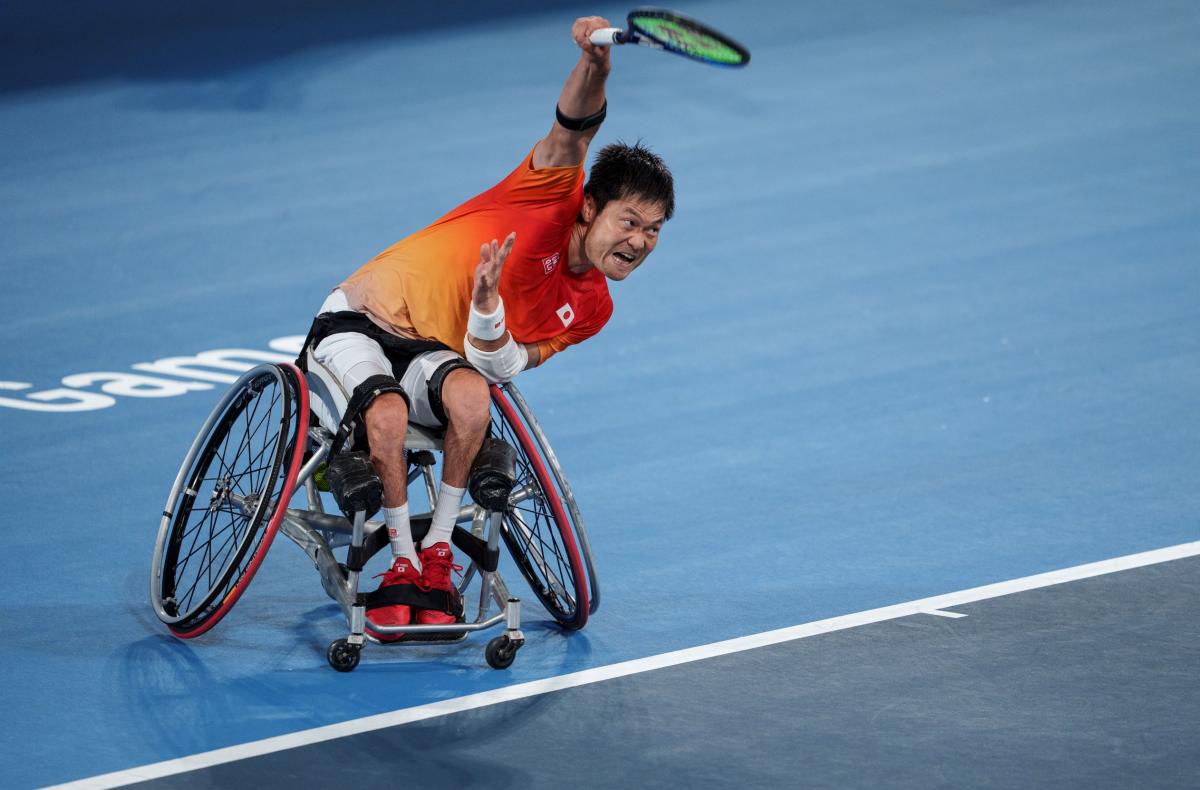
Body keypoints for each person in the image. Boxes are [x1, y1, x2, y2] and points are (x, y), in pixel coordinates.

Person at [305, 16, 675, 640]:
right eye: (630, 220)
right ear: (589, 208)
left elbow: (499, 365)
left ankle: (437, 557)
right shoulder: (547, 194)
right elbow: (573, 129)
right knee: (389, 414)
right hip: (360, 318)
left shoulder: (593, 308)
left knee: (475, 399)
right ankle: (399, 559)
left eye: (654, 230)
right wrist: (596, 66)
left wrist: (484, 303)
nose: (639, 241)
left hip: (430, 352)